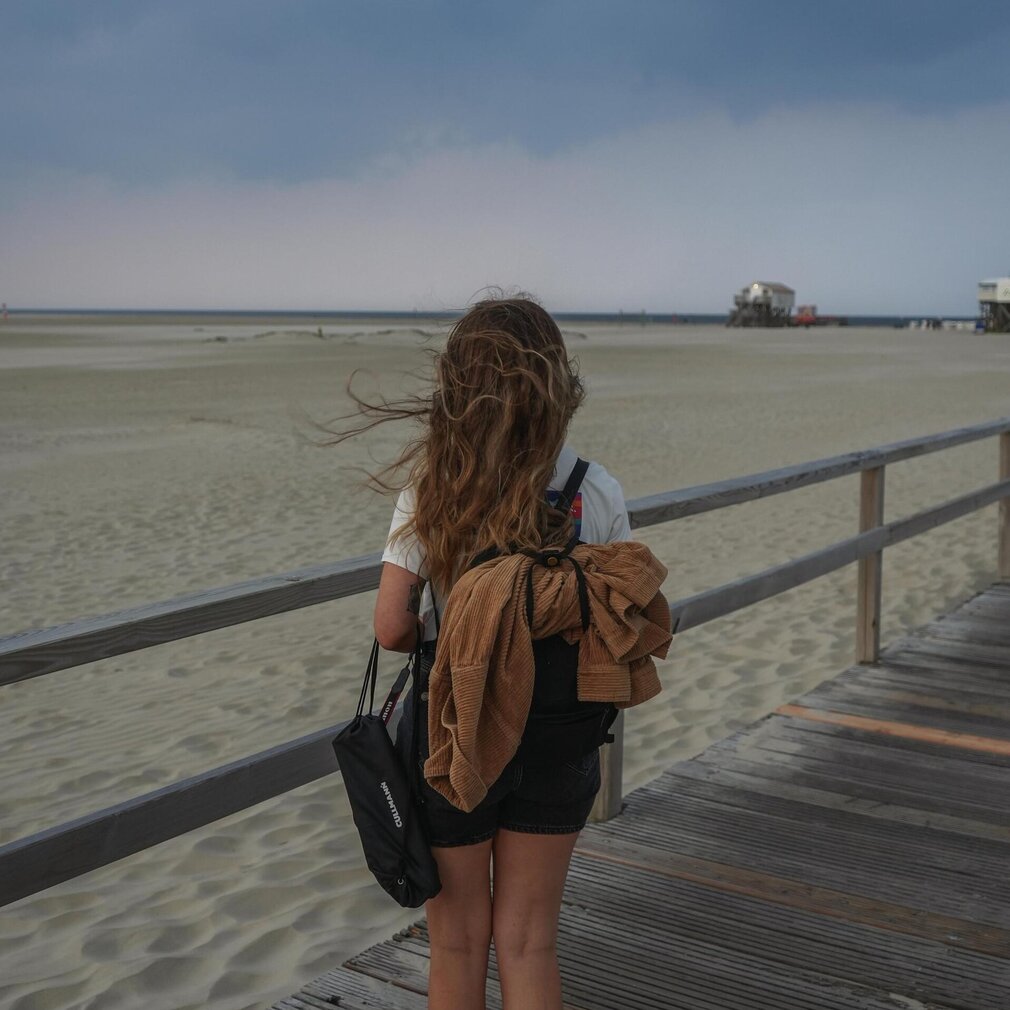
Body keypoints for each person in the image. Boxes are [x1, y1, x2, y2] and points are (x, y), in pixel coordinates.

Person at [350, 295, 657, 1009]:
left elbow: (393, 627)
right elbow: (618, 613)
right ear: (556, 384)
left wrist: (465, 627)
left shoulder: (434, 485)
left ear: (457, 391)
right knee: (529, 942)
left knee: (457, 945)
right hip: (559, 734)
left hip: (455, 736)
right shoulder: (594, 488)